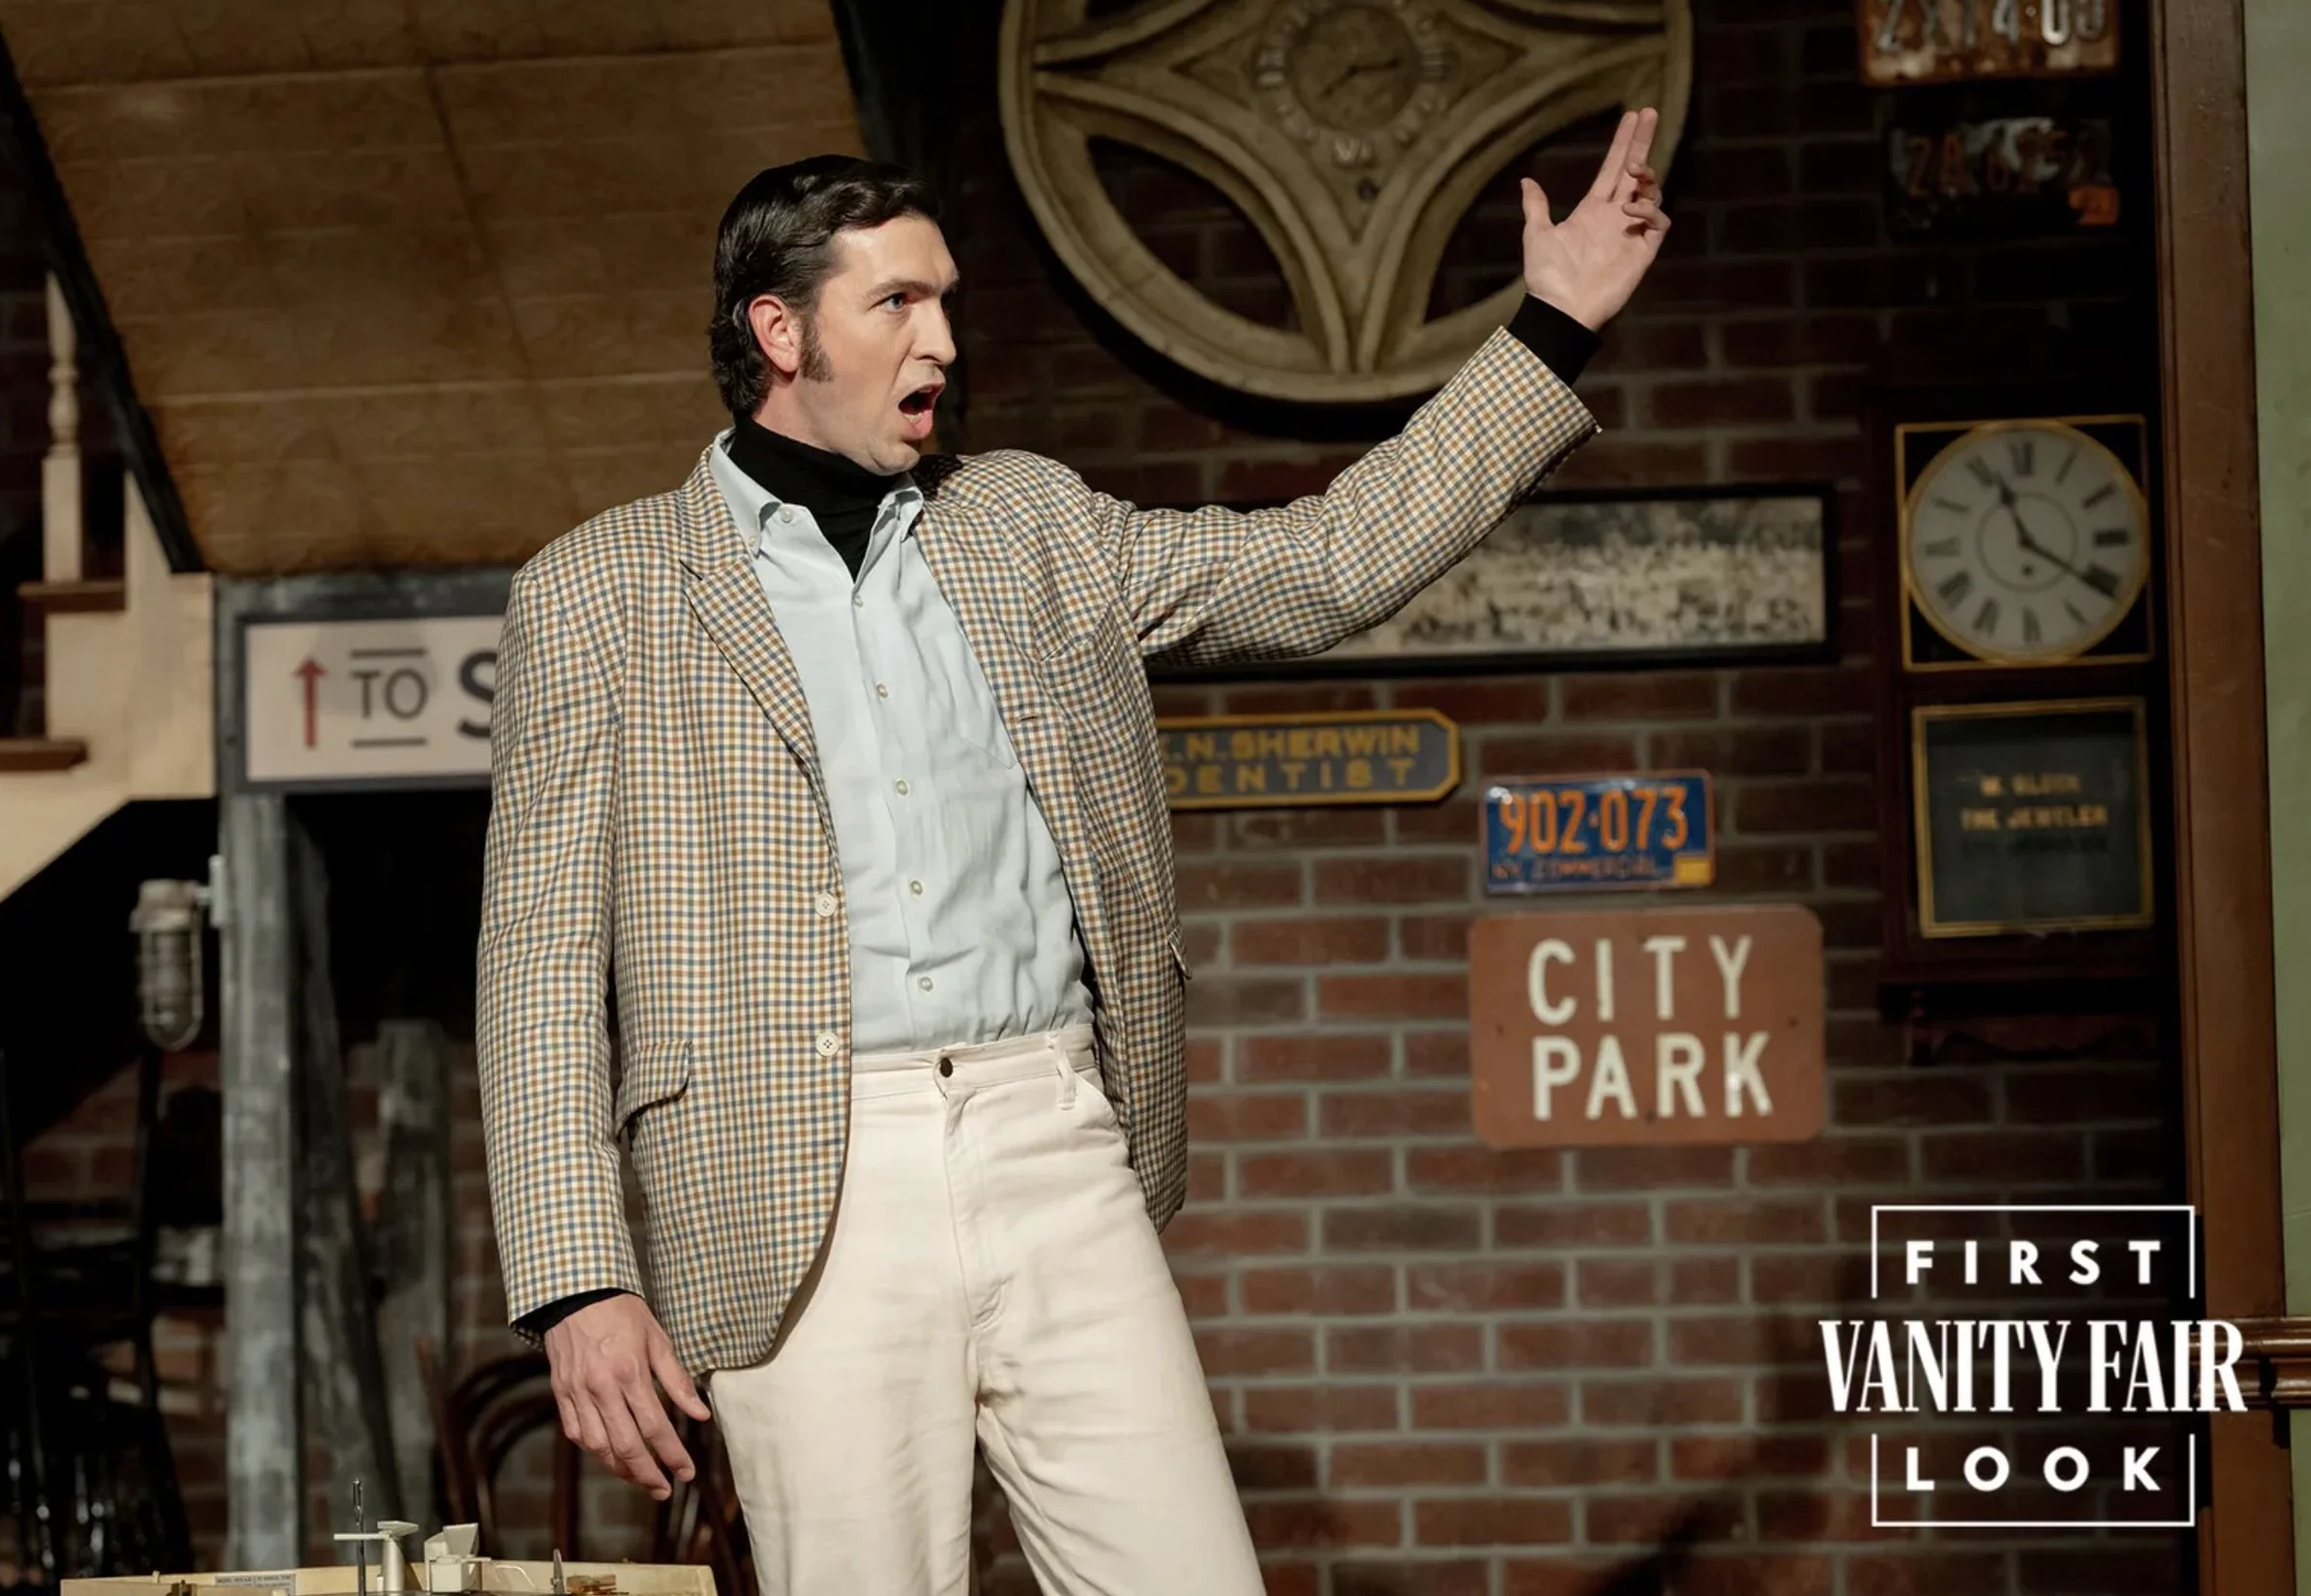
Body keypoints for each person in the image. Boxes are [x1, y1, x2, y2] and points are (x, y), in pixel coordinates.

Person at [477, 110, 1669, 1596]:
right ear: (782, 332)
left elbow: (1322, 563)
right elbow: (537, 965)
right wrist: (579, 1279)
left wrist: (1553, 329)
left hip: (1054, 1132)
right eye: (896, 301)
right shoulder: (601, 591)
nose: (941, 339)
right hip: (799, 1181)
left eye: (946, 301)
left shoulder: (1028, 521)